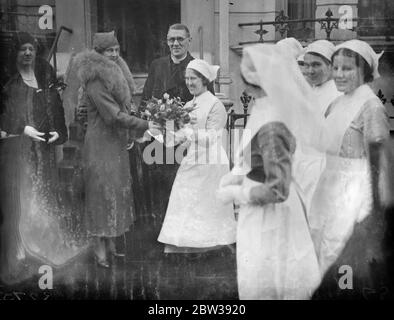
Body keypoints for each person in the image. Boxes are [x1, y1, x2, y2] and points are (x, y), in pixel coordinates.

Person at [217, 44, 321, 300]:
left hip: (271, 215)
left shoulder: (272, 121)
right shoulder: (265, 107)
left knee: (268, 280)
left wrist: (238, 193)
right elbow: (259, 158)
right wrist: (240, 173)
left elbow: (278, 188)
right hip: (264, 208)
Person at [74, 31, 160, 268]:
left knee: (117, 191)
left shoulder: (116, 73)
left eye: (116, 49)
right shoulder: (95, 79)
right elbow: (112, 116)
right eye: (108, 51)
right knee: (101, 193)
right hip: (100, 143)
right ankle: (99, 245)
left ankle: (111, 241)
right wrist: (145, 125)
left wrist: (131, 133)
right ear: (98, 54)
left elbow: (125, 107)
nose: (113, 54)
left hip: (116, 142)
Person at [0, 32, 79, 283]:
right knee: (23, 200)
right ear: (15, 54)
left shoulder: (45, 80)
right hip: (19, 154)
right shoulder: (10, 85)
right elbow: (5, 118)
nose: (27, 53)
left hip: (43, 153)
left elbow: (57, 114)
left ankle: (44, 250)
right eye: (22, 49)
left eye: (31, 49)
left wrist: (58, 132)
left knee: (46, 196)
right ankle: (21, 253)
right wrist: (23, 129)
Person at [309, 39, 390, 278]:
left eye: (347, 69)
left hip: (355, 194)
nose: (339, 74)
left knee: (345, 258)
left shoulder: (371, 107)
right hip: (329, 187)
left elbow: (381, 164)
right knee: (323, 252)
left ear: (363, 71)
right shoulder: (336, 103)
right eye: (336, 68)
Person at [157, 59, 236, 253]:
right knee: (185, 197)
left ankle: (208, 246)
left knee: (205, 201)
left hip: (211, 161)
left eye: (193, 79)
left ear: (204, 80)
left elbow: (211, 137)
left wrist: (189, 132)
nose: (189, 83)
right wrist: (162, 130)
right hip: (193, 157)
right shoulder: (188, 104)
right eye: (187, 78)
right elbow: (179, 138)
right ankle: (186, 245)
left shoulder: (215, 105)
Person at [293, 40, 342, 214]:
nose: (310, 70)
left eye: (316, 65)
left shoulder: (338, 95)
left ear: (331, 65)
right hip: (303, 167)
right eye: (306, 65)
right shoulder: (311, 91)